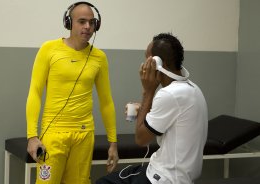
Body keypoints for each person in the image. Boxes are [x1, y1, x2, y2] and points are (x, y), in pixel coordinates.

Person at [96, 33, 208, 184]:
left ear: (156, 62)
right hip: (176, 175)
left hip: (164, 178)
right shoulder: (192, 89)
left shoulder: (168, 94)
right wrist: (143, 109)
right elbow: (172, 119)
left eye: (146, 58)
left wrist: (148, 91)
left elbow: (141, 139)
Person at [26, 2, 119, 184]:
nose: (87, 27)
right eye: (82, 21)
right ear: (69, 23)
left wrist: (113, 143)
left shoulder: (99, 57)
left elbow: (106, 101)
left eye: (92, 23)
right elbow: (35, 93)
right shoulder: (49, 49)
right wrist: (32, 136)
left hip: (84, 135)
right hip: (53, 134)